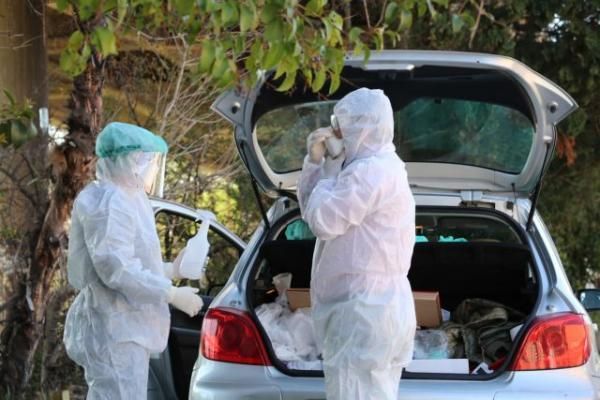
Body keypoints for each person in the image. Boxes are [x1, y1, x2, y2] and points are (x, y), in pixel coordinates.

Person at [63, 122, 203, 399]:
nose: (153, 168)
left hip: (123, 325)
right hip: (114, 327)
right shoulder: (110, 202)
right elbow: (117, 270)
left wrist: (171, 270)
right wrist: (171, 294)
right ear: (133, 161)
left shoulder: (127, 198)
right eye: (150, 160)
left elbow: (132, 262)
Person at [297, 88, 417, 400]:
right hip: (372, 309)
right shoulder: (377, 167)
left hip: (363, 311)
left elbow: (323, 220)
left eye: (340, 126)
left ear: (359, 129)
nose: (336, 133)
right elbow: (313, 210)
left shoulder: (370, 172)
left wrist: (328, 168)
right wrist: (315, 164)